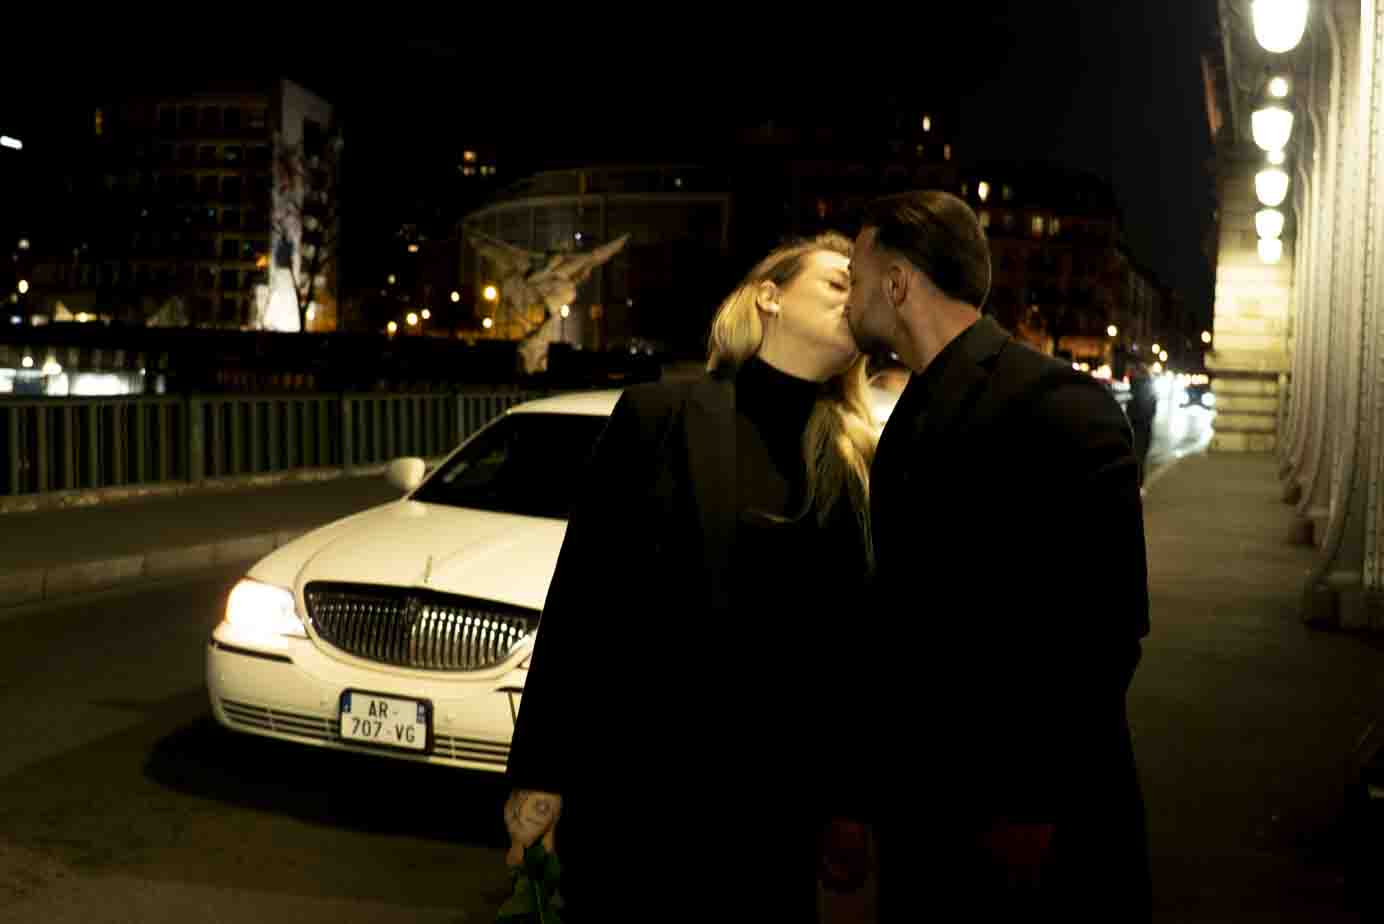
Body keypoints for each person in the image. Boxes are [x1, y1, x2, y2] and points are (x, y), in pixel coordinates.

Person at [503, 232, 879, 921]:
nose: (854, 301)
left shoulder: (854, 460)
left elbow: (854, 654)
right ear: (769, 296)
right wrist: (541, 772)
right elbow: (584, 600)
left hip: (772, 818)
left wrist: (850, 804)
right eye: (836, 283)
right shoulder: (660, 416)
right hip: (641, 795)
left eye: (864, 292)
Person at [844, 190, 1151, 919]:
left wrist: (1029, 809)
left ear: (897, 284)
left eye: (855, 280)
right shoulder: (917, 409)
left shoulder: (1057, 405)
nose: (848, 300)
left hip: (1033, 842)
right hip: (934, 824)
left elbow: (1105, 629)